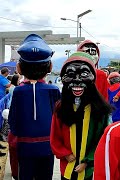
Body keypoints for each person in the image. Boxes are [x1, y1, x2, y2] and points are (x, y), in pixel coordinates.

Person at [50, 52, 111, 180]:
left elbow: (101, 139)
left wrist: (88, 161)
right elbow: (55, 135)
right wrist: (65, 153)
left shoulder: (98, 110)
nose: (77, 80)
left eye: (83, 74)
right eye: (71, 75)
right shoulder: (60, 108)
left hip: (87, 168)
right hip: (67, 164)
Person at [9, 34, 61, 180]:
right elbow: (59, 119)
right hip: (47, 147)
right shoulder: (54, 90)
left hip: (24, 148)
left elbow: (13, 122)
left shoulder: (18, 91)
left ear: (19, 68)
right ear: (49, 67)